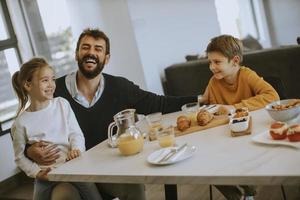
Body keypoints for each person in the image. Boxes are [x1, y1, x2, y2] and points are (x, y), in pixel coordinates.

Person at [25, 28, 196, 200]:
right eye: (85, 47)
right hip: (68, 172)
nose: (91, 52)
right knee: (64, 197)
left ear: (106, 59)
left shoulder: (119, 87)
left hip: (107, 167)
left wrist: (201, 98)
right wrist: (29, 150)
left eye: (98, 49)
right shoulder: (54, 90)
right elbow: (27, 125)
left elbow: (159, 103)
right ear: (76, 54)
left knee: (134, 188)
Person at [200, 35, 279, 200]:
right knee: (207, 163)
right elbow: (211, 107)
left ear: (235, 61)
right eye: (210, 62)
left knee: (229, 161)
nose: (212, 67)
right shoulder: (213, 83)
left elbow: (273, 96)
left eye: (217, 62)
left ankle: (248, 191)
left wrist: (234, 107)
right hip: (227, 138)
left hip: (252, 135)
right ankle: (239, 196)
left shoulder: (247, 75)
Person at [11, 58, 102, 200]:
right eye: (45, 80)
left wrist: (77, 150)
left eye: (52, 79)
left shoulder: (62, 104)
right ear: (28, 85)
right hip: (45, 177)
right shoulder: (20, 123)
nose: (51, 85)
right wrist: (37, 173)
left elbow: (75, 134)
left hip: (74, 168)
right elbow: (19, 157)